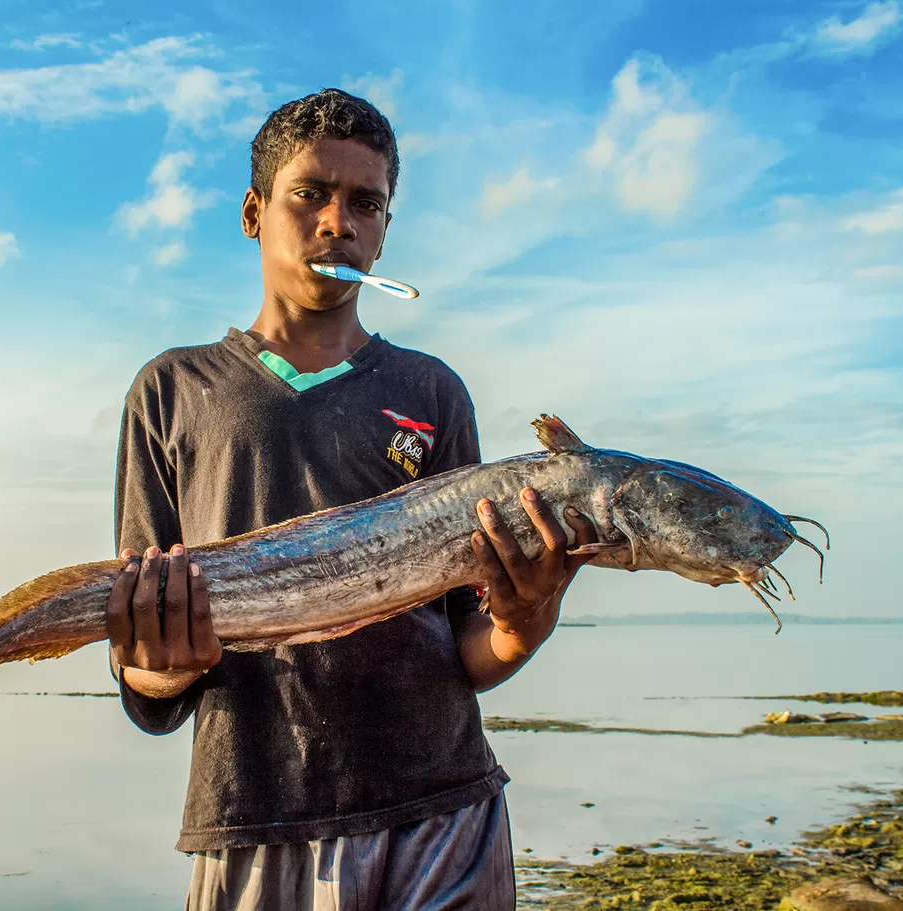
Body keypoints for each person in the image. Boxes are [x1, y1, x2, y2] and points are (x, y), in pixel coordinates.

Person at [107, 88, 598, 910]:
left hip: (442, 812)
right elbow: (141, 665)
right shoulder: (170, 390)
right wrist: (158, 668)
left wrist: (522, 625)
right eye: (311, 195)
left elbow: (467, 647)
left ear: (384, 231)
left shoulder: (433, 393)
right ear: (253, 213)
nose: (339, 222)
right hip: (253, 820)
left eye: (365, 203)